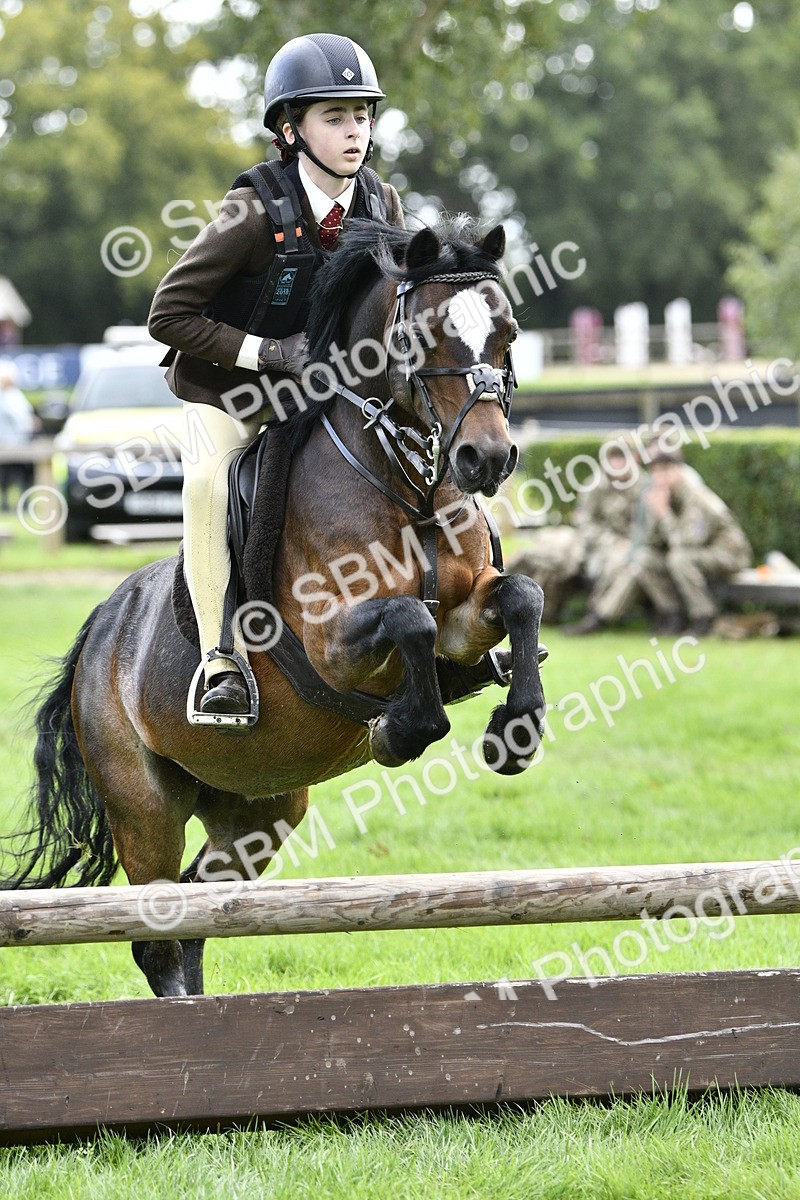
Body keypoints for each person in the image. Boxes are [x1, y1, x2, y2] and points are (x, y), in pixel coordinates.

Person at [148, 33, 404, 719]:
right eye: (335, 116)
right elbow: (168, 316)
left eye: (363, 115)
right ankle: (218, 660)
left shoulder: (381, 204)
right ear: (290, 130)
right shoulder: (251, 210)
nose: (356, 132)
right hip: (226, 392)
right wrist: (269, 352)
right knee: (207, 484)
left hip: (320, 393)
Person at [565, 448, 751, 636]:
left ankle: (704, 617)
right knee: (643, 558)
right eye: (655, 472)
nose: (659, 477)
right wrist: (653, 514)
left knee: (680, 559)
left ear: (678, 470)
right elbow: (649, 541)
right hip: (696, 554)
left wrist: (663, 514)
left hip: (728, 554)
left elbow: (686, 543)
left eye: (665, 471)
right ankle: (672, 614)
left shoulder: (696, 497)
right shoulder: (663, 495)